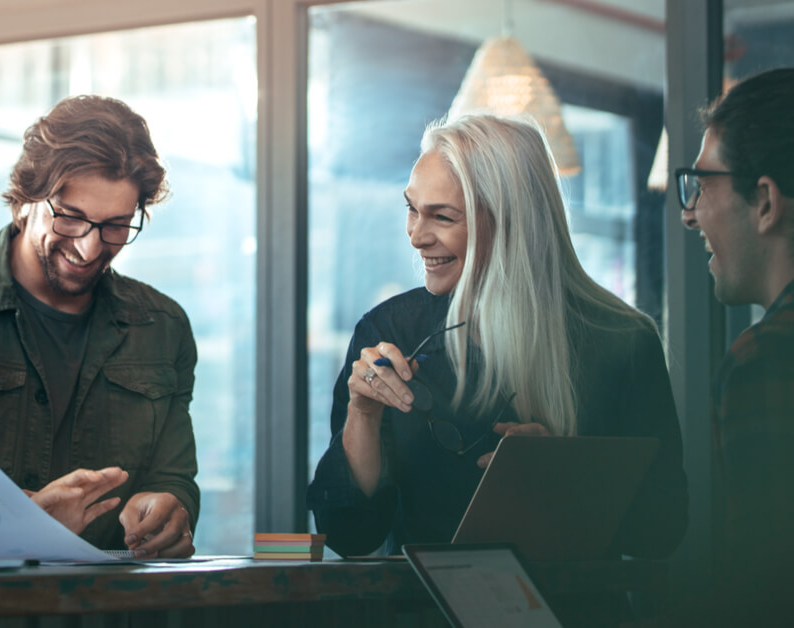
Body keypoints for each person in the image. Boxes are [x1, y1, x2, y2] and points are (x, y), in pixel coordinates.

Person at [307, 114, 688, 561]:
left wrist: (566, 478)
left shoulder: (620, 339)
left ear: (512, 222)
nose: (415, 236)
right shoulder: (390, 332)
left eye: (442, 217)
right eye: (411, 208)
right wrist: (362, 413)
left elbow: (663, 529)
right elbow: (348, 535)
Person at [0, 95, 199, 558]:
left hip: (111, 616)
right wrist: (10, 523)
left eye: (116, 226)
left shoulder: (162, 326)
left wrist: (167, 508)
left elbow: (173, 479)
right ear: (25, 199)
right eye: (71, 218)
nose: (90, 248)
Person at [678, 67, 794, 624]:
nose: (689, 212)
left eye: (701, 185)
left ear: (766, 203)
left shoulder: (766, 358)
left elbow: (764, 589)